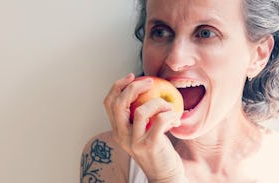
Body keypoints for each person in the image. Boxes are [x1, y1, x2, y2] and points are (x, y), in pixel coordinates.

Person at [80, 0, 279, 182]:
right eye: (160, 32)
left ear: (259, 56)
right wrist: (163, 177)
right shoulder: (110, 155)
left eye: (205, 33)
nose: (175, 60)